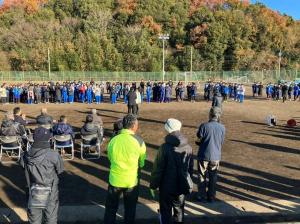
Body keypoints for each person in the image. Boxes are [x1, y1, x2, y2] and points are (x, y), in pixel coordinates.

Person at [104, 114, 146, 224]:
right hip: (131, 181)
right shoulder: (139, 141)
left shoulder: (114, 140)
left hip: (115, 180)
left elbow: (110, 157)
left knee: (111, 208)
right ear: (134, 126)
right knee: (130, 209)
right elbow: (142, 162)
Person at [150, 118, 193, 224]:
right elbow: (190, 169)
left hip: (166, 187)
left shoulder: (164, 147)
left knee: (165, 212)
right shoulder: (188, 147)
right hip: (182, 185)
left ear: (168, 129)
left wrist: (153, 185)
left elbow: (158, 169)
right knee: (179, 211)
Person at [19, 126, 64, 224]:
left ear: (34, 138)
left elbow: (22, 166)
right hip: (50, 191)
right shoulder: (54, 155)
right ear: (48, 139)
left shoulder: (24, 155)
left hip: (33, 191)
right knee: (50, 218)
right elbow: (60, 170)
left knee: (34, 219)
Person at [196, 107, 225, 202]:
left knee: (201, 175)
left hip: (203, 155)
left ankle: (202, 195)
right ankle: (211, 196)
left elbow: (199, 138)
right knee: (213, 176)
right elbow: (221, 142)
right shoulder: (222, 127)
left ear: (210, 114)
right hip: (216, 156)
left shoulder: (204, 126)